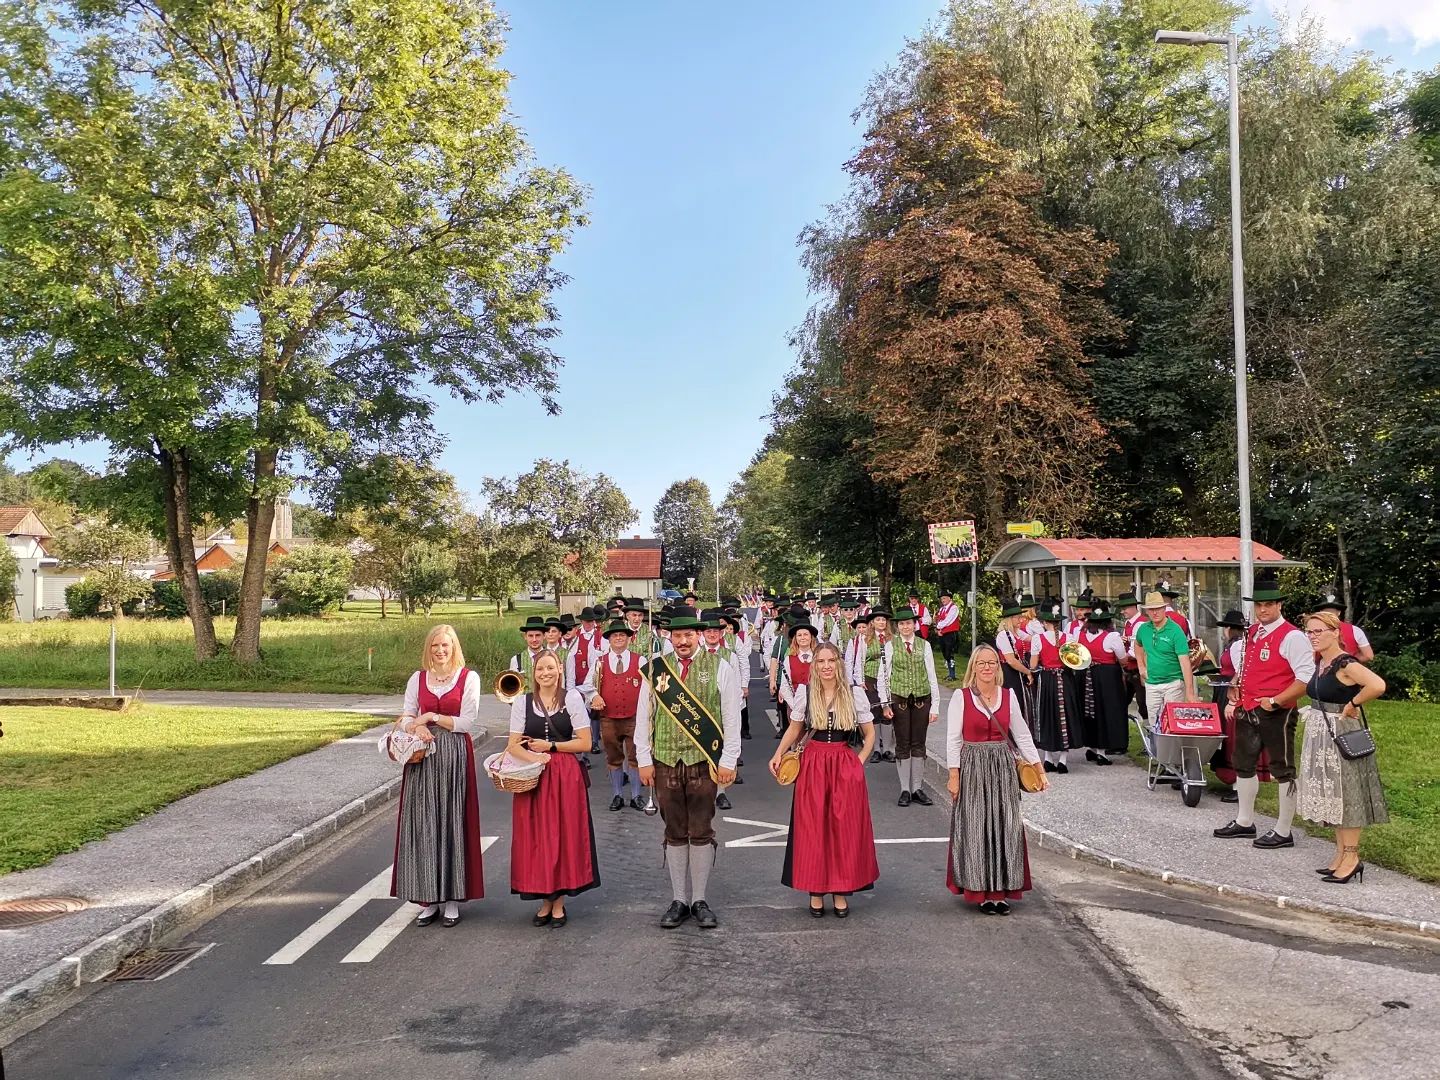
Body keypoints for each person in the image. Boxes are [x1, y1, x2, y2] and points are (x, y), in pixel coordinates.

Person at [635, 606, 742, 930]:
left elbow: (731, 717)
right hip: (665, 761)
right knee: (674, 831)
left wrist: (728, 760)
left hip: (703, 763)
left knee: (701, 829)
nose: (682, 640)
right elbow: (645, 715)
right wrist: (643, 759)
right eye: (677, 635)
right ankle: (679, 899)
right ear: (669, 635)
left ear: (697, 635)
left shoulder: (721, 666)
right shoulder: (656, 670)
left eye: (687, 635)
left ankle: (699, 899)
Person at [770, 642, 879, 917]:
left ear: (839, 663)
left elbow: (869, 735)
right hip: (813, 763)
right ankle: (816, 890)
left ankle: (841, 890)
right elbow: (795, 728)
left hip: (843, 762)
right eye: (821, 661)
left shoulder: (854, 694)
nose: (827, 666)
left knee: (844, 829)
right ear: (814, 665)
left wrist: (858, 762)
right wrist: (778, 753)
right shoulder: (806, 692)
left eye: (831, 661)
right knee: (813, 828)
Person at [391, 625, 486, 927]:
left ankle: (453, 899)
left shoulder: (468, 678)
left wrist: (430, 717)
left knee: (452, 821)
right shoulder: (417, 679)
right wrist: (415, 727)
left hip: (454, 755)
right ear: (428, 649)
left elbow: (467, 721)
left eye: (445, 645)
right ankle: (428, 897)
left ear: (454, 647)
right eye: (435, 645)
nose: (440, 650)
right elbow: (406, 715)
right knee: (424, 824)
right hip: (422, 757)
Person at [1215, 572, 1316, 849]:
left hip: (1277, 712)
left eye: (1269, 604)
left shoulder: (1292, 637)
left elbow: (1306, 678)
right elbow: (1245, 669)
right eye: (1259, 605)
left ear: (1279, 605)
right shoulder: (1252, 633)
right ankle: (1245, 821)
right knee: (1243, 764)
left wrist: (1276, 701)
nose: (1263, 609)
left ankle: (1284, 830)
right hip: (1248, 708)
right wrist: (1235, 686)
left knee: (1282, 768)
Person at [945, 644, 1046, 914]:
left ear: (997, 667)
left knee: (1006, 825)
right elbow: (953, 740)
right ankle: (981, 891)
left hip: (1003, 767)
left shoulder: (1008, 695)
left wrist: (1039, 768)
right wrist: (953, 775)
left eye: (992, 663)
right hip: (974, 766)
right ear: (973, 668)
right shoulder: (961, 697)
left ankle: (1000, 893)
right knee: (977, 827)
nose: (987, 667)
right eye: (981, 663)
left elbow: (1022, 735)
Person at [505, 652, 599, 926]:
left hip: (564, 775)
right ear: (534, 673)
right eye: (540, 669)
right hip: (532, 775)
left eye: (550, 667)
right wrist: (535, 758)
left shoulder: (571, 698)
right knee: (535, 838)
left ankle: (558, 902)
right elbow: (512, 745)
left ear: (559, 669)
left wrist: (552, 748)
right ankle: (545, 898)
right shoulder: (523, 702)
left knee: (563, 836)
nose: (545, 673)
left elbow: (584, 742)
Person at [1298, 611, 1388, 883]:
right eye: (1309, 632)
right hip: (1321, 733)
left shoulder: (1344, 663)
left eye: (1319, 631)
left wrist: (1354, 703)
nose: (1313, 637)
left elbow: (1377, 684)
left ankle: (1352, 857)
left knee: (1346, 794)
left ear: (1335, 632)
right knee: (1332, 795)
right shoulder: (1322, 663)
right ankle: (1340, 854)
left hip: (1340, 733)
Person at [579, 619, 648, 811]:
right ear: (609, 639)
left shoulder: (639, 660)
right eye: (615, 635)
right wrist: (595, 696)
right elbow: (587, 686)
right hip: (609, 717)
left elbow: (648, 688)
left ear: (629, 638)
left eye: (622, 635)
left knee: (635, 756)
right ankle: (617, 795)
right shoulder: (599, 663)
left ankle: (636, 796)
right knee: (613, 756)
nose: (618, 638)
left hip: (634, 717)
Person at [884, 606, 940, 805]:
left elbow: (932, 675)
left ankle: (917, 787)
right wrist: (885, 703)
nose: (905, 627)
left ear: (914, 625)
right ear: (897, 626)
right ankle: (905, 789)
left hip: (921, 699)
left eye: (908, 623)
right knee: (902, 743)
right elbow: (885, 676)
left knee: (918, 742)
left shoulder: (924, 646)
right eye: (901, 624)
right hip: (899, 699)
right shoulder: (891, 645)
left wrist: (935, 707)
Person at [701, 609, 748, 810]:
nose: (712, 635)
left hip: (722, 711)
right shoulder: (697, 654)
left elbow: (736, 685)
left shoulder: (730, 656)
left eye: (716, 632)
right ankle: (702, 792)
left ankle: (720, 792)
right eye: (708, 632)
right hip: (700, 709)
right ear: (702, 633)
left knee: (720, 752)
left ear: (721, 634)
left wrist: (735, 712)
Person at [1028, 601, 1082, 772]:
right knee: (1065, 715)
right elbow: (1075, 662)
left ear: (1044, 622)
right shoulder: (1069, 638)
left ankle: (1048, 758)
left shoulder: (1038, 639)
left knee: (1047, 715)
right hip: (1065, 680)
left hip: (1047, 681)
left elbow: (1033, 664)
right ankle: (1063, 761)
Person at [1207, 610, 1254, 803]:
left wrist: (1233, 700)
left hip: (1231, 692)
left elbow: (1240, 673)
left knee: (1232, 735)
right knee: (1227, 734)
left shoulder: (1237, 647)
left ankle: (1238, 784)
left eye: (1226, 627)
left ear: (1229, 628)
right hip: (1224, 689)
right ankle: (1234, 781)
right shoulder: (1235, 645)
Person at [1076, 601, 1129, 764]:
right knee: (1107, 711)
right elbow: (1123, 660)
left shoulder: (1081, 633)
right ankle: (1102, 751)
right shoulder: (1112, 636)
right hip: (1107, 678)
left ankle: (1091, 747)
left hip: (1085, 675)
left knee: (1089, 711)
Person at [1133, 591, 1198, 721]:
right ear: (1147, 611)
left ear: (1164, 609)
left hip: (1173, 682)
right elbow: (1137, 644)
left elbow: (1185, 663)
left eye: (1158, 608)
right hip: (1152, 683)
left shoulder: (1175, 631)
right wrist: (1141, 666)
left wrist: (1190, 693)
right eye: (1151, 609)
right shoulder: (1143, 629)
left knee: (1172, 720)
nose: (1155, 612)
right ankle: (1154, 741)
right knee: (1153, 722)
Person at [994, 602, 1033, 721]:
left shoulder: (1016, 632)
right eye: (1018, 617)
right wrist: (1028, 672)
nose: (1021, 620)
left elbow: (1033, 639)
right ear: (1010, 619)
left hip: (1017, 672)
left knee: (1021, 700)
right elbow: (1011, 660)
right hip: (1008, 673)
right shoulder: (1003, 635)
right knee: (1013, 701)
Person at [1313, 594, 1375, 661]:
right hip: (1345, 669)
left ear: (1339, 612)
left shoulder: (1312, 632)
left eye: (1331, 611)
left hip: (1329, 669)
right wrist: (1350, 660)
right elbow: (1368, 656)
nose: (1328, 614)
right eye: (1326, 611)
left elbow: (1369, 656)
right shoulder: (1355, 630)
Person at [1118, 591, 1147, 721]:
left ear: (1133, 607)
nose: (1122, 612)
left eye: (1124, 608)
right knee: (1122, 701)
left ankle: (1149, 734)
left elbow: (1136, 651)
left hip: (1139, 670)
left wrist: (1121, 658)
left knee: (1143, 705)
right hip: (1129, 671)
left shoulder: (1141, 623)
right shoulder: (1128, 623)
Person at [508, 615, 549, 686]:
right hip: (524, 697)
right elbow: (513, 687)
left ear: (544, 636)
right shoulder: (516, 660)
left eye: (538, 635)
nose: (534, 639)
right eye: (530, 636)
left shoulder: (553, 657)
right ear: (525, 636)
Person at [934, 590, 961, 680]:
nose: (943, 600)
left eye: (944, 598)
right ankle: (950, 673)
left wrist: (939, 626)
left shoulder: (954, 608)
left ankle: (952, 674)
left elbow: (948, 621)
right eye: (942, 598)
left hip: (950, 634)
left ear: (949, 598)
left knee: (950, 654)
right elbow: (938, 619)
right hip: (942, 634)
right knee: (945, 653)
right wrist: (938, 630)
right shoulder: (942, 609)